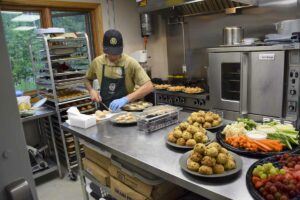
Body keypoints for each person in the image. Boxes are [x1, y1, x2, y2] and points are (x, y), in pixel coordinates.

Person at [84, 29, 153, 112]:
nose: (113, 56)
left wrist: (125, 99)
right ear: (103, 47)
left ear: (122, 47)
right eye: (110, 53)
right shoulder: (97, 62)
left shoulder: (130, 63)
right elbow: (87, 79)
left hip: (127, 111)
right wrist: (91, 90)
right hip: (105, 110)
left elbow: (149, 86)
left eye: (116, 53)